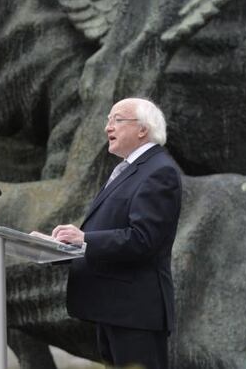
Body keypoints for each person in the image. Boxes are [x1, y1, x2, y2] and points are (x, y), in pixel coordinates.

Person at [50, 98, 182, 369]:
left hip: (136, 314)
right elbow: (108, 231)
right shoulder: (128, 169)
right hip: (113, 310)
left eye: (117, 120)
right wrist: (56, 246)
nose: (107, 127)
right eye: (108, 119)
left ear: (143, 129)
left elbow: (143, 240)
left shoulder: (159, 171)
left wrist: (83, 238)